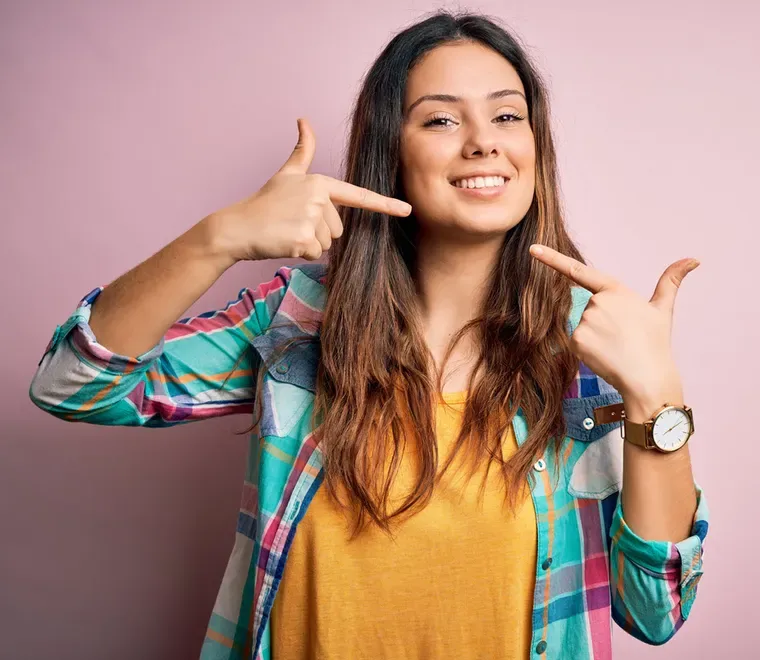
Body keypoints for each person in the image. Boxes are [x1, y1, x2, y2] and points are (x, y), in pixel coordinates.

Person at [29, 10, 709, 660]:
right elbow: (72, 383)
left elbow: (654, 613)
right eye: (442, 119)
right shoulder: (297, 322)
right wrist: (219, 239)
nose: (484, 141)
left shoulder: (587, 344)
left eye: (507, 115)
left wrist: (657, 398)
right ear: (391, 151)